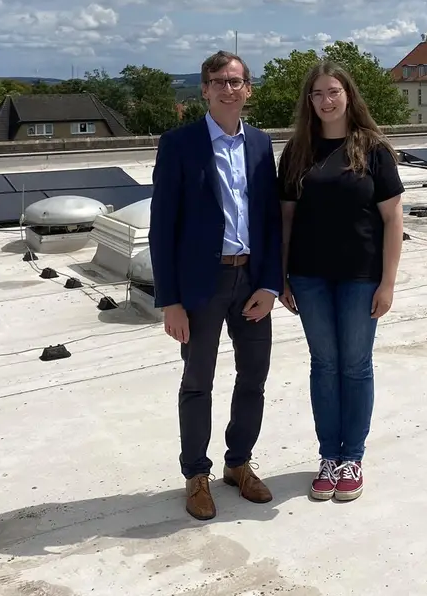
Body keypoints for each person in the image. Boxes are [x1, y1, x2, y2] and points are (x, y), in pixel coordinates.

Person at [149, 51, 283, 521]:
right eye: (219, 81)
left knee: (253, 378)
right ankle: (196, 474)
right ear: (204, 89)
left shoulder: (262, 145)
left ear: (249, 89)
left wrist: (270, 283)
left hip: (251, 280)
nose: (229, 89)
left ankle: (239, 464)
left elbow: (270, 221)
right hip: (201, 285)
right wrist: (170, 301)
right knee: (197, 382)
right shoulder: (179, 144)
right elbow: (161, 228)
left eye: (237, 81)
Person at [277, 61, 404, 502]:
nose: (326, 101)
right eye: (317, 94)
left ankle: (353, 457)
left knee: (355, 366)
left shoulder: (373, 149)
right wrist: (282, 276)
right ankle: (328, 457)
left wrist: (387, 283)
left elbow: (392, 219)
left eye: (333, 92)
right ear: (308, 102)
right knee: (324, 366)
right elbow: (286, 218)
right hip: (309, 277)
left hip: (360, 278)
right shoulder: (297, 150)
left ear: (348, 95)